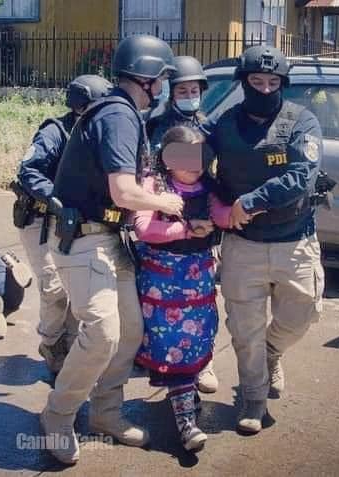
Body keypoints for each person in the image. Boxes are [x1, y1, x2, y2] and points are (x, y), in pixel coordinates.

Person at [39, 34, 184, 465]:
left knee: (129, 332)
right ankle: (58, 416)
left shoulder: (120, 114)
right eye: (162, 80)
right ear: (149, 78)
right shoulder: (118, 115)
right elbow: (123, 192)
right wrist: (165, 202)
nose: (164, 89)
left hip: (109, 239)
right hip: (86, 241)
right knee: (101, 334)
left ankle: (106, 413)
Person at [206, 45, 324, 434]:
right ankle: (253, 398)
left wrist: (248, 202)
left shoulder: (301, 121)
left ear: (283, 84)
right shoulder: (223, 123)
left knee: (302, 314)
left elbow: (301, 177)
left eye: (273, 82)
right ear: (243, 82)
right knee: (245, 328)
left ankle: (273, 352)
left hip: (295, 240)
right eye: (256, 82)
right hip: (242, 245)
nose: (264, 88)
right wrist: (217, 204)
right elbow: (191, 163)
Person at [133, 126, 230, 451]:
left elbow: (223, 216)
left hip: (198, 288)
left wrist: (254, 205)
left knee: (197, 344)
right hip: (162, 291)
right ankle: (186, 424)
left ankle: (185, 398)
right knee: (172, 349)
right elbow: (144, 228)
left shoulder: (209, 188)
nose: (195, 164)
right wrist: (186, 230)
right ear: (167, 157)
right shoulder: (154, 185)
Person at [13, 74, 113, 374]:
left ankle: (70, 345)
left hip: (78, 221)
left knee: (78, 286)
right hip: (41, 218)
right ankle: (52, 342)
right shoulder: (55, 132)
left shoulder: (101, 132)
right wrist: (54, 197)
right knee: (54, 287)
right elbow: (28, 171)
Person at [146, 56, 219, 394]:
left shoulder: (207, 124)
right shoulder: (156, 123)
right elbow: (148, 166)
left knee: (202, 301)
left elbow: (211, 169)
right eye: (183, 89)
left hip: (200, 213)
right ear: (171, 92)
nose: (189, 94)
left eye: (194, 89)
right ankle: (160, 359)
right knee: (159, 303)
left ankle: (203, 363)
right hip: (164, 214)